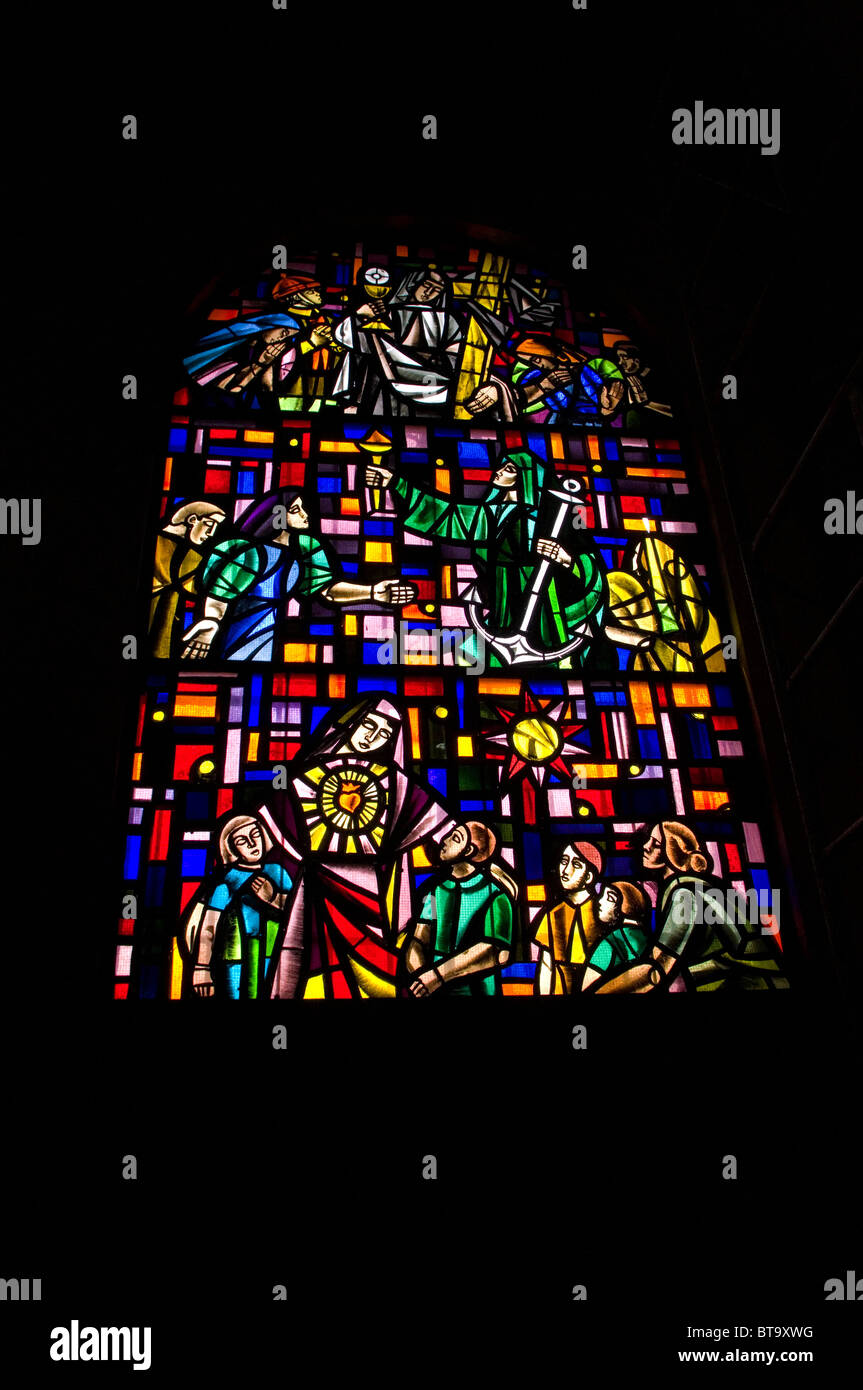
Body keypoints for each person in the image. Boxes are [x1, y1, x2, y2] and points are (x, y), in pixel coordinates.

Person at [266, 698, 457, 1000]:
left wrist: (480, 860)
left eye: (383, 734)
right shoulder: (301, 777)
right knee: (308, 965)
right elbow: (269, 826)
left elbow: (444, 827)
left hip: (369, 894)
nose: (372, 737)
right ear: (349, 725)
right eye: (368, 725)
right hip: (309, 888)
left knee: (374, 973)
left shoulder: (397, 782)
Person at [365, 449, 606, 668]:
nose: (499, 472)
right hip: (503, 589)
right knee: (494, 648)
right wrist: (396, 482)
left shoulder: (552, 519)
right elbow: (448, 515)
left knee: (547, 641)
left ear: (525, 478)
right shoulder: (494, 512)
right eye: (501, 466)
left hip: (543, 592)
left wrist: (565, 559)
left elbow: (588, 561)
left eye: (509, 469)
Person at [180, 490, 416, 661]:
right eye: (295, 509)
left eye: (303, 508)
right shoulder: (247, 552)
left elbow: (328, 592)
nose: (305, 515)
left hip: (268, 633)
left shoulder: (304, 548)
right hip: (240, 627)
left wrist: (373, 592)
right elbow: (219, 598)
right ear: (278, 515)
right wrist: (211, 623)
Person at [595, 821, 787, 992]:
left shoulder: (687, 894)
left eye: (656, 845)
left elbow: (656, 970)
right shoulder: (691, 889)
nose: (645, 847)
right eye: (648, 841)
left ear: (673, 852)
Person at [403, 821, 517, 998]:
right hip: (434, 992)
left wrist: (437, 976)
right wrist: (420, 975)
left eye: (455, 838)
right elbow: (419, 939)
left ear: (469, 851)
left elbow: (496, 951)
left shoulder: (495, 895)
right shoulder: (435, 891)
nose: (445, 840)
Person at [184, 814, 293, 1000]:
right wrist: (201, 968)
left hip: (276, 956)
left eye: (255, 834)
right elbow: (209, 926)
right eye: (242, 840)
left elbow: (297, 912)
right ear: (232, 848)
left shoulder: (278, 872)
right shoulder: (227, 881)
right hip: (235, 959)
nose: (252, 843)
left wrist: (273, 897)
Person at [333, 266, 463, 417]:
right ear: (411, 284)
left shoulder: (448, 319)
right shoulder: (389, 312)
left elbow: (458, 354)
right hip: (384, 385)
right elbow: (348, 338)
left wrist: (432, 361)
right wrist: (360, 314)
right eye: (426, 286)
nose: (428, 292)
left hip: (433, 384)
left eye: (437, 289)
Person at [149, 501, 226, 658]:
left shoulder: (186, 555)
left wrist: (212, 618)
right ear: (192, 520)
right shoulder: (165, 546)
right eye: (209, 524)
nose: (211, 533)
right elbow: (211, 581)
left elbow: (210, 584)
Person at [533, 840, 604, 994]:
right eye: (564, 861)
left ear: (589, 877)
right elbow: (547, 966)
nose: (565, 870)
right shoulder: (553, 913)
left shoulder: (602, 912)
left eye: (576, 865)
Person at [270, 272, 343, 412]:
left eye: (317, 290)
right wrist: (312, 343)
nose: (318, 294)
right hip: (292, 385)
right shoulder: (282, 323)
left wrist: (336, 344)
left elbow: (345, 350)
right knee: (290, 419)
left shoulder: (329, 321)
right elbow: (274, 356)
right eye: (311, 291)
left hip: (325, 381)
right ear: (296, 296)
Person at [581, 880, 651, 990]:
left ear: (624, 907)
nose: (599, 901)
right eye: (602, 895)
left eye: (610, 898)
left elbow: (587, 987)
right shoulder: (649, 940)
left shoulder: (609, 943)